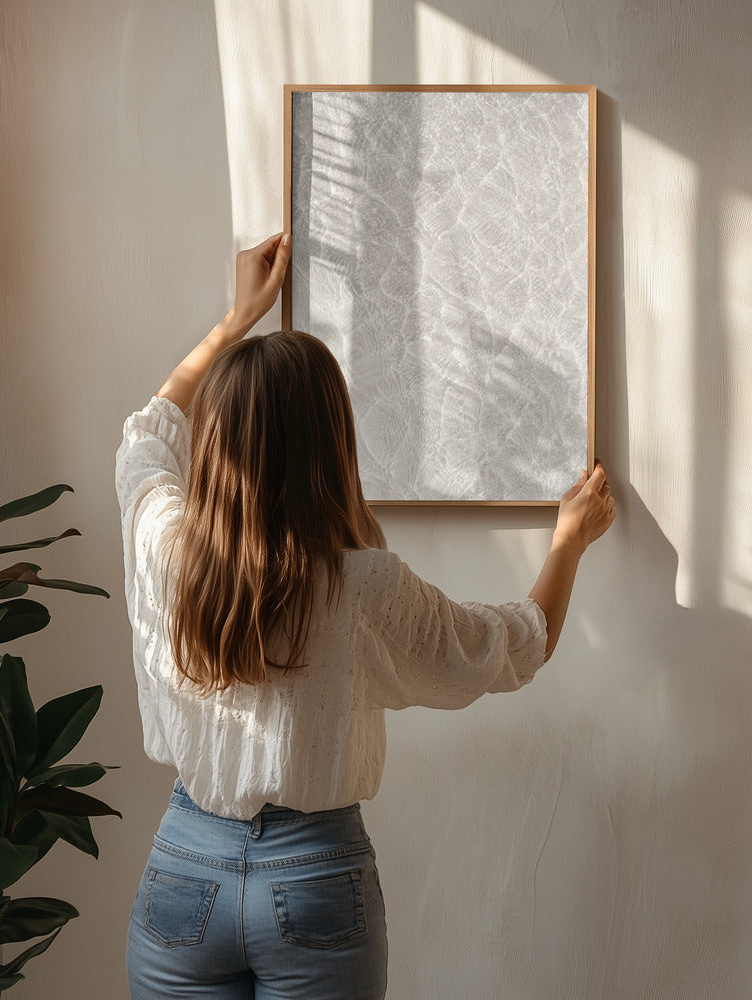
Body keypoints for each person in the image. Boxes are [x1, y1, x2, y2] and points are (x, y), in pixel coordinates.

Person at [117, 232, 616, 1000]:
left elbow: (146, 438)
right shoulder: (364, 587)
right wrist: (568, 543)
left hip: (185, 870)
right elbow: (514, 647)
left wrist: (234, 321)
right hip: (315, 879)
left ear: (215, 447)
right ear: (331, 445)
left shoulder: (168, 547)